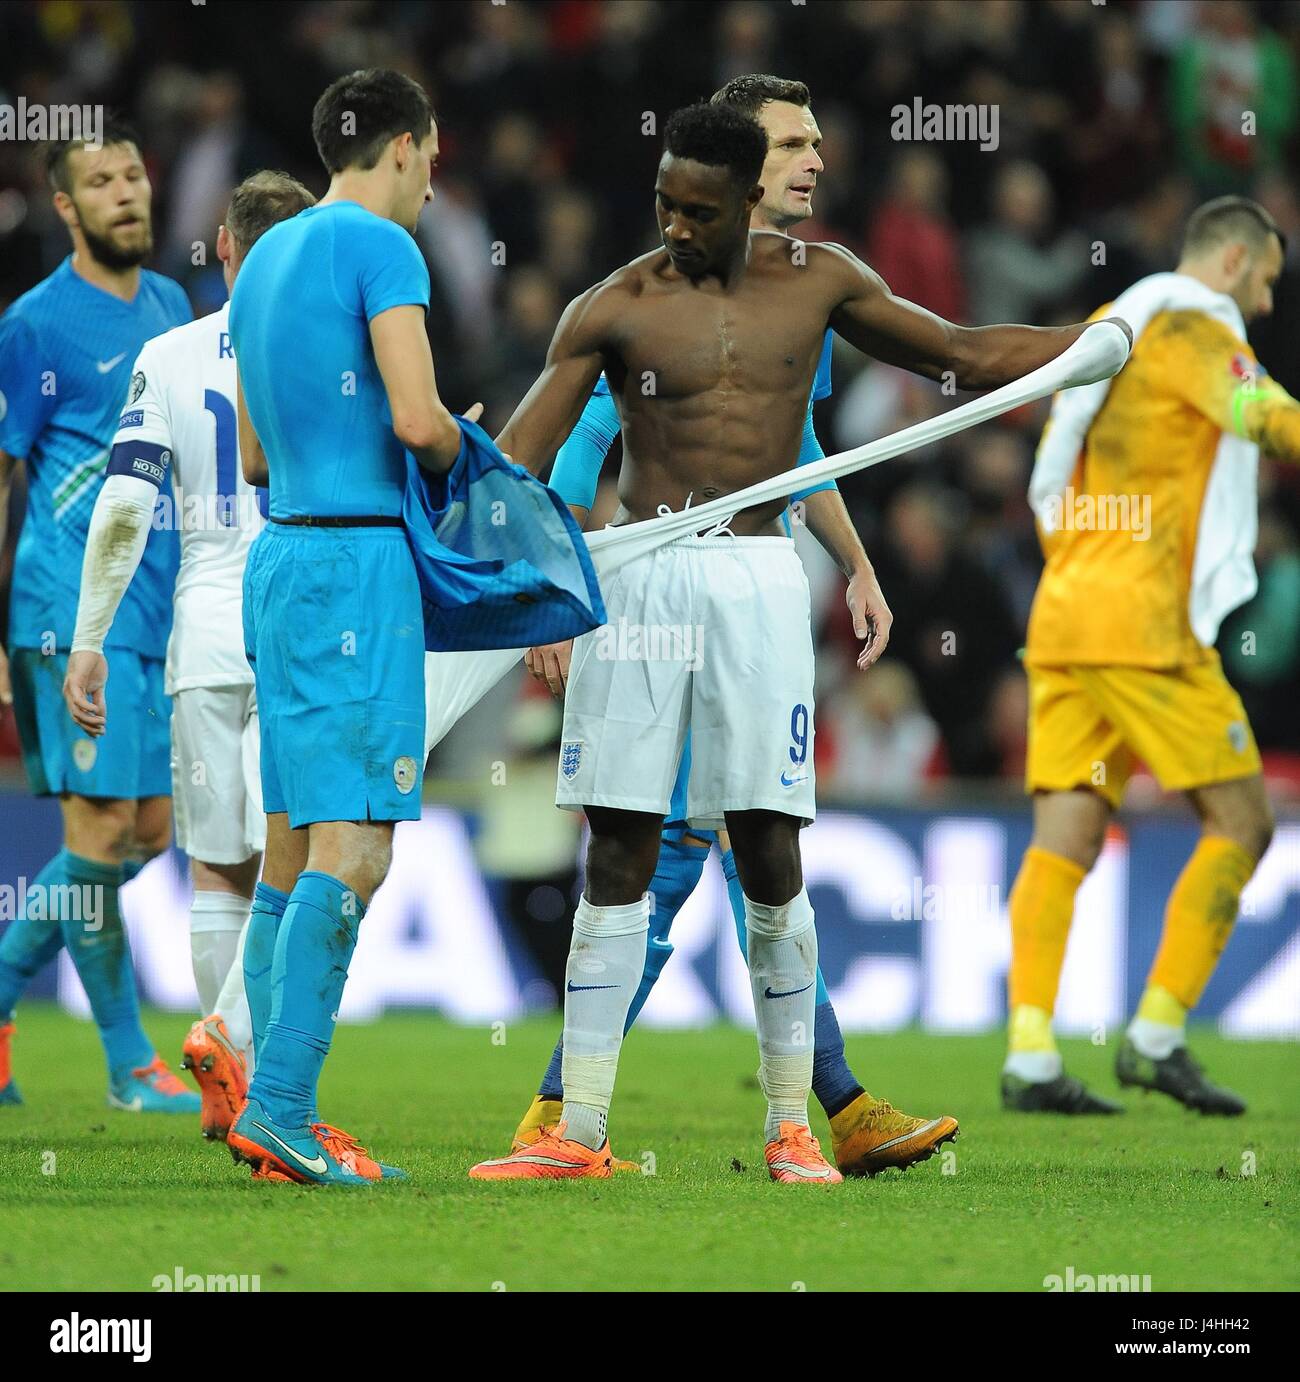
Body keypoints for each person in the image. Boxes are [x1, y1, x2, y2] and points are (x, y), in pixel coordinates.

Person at [469, 99, 1121, 1183]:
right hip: (644, 569)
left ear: (740, 202)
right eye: (664, 204)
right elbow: (518, 465)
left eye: (698, 209)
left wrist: (1088, 348)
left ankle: (791, 1127)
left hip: (759, 576)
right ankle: (576, 1127)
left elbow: (957, 353)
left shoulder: (820, 283)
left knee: (767, 844)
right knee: (621, 846)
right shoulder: (613, 305)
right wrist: (511, 555)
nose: (675, 226)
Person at [506, 74, 957, 1180]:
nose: (814, 162)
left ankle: (788, 1106)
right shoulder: (654, 305)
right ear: (743, 164)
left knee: (729, 847)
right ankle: (589, 1106)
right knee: (678, 850)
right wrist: (554, 593)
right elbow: (572, 459)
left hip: (748, 585)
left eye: (815, 140)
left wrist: (853, 562)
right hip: (658, 593)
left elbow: (800, 451)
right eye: (795, 143)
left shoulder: (799, 294)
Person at [1004, 196, 1300, 1115]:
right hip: (1141, 623)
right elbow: (1262, 415)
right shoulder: (1189, 322)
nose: (1265, 307)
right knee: (1244, 820)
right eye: (1266, 284)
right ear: (1236, 260)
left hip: (1066, 610)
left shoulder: (1116, 321)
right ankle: (1158, 1034)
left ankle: (1030, 1053)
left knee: (1069, 834)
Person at [224, 69, 464, 1185]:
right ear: (410, 147)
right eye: (429, 163)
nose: (429, 185)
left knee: (288, 844)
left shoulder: (264, 253)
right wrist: (473, 458)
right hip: (354, 566)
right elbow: (418, 421)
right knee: (354, 845)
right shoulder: (383, 248)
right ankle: (279, 1106)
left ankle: (271, 1107)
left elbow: (258, 458)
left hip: (276, 558)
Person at [63, 170, 317, 1142]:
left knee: (219, 866)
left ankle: (237, 1075)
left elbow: (122, 503)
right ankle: (235, 1038)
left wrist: (88, 639)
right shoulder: (338, 350)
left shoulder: (166, 354)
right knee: (307, 856)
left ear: (221, 248)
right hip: (305, 628)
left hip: (201, 633)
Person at [0, 123, 197, 1115]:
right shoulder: (32, 324)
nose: (126, 192)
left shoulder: (171, 306)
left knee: (149, 833)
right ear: (68, 209)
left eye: (133, 174)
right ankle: (130, 1065)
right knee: (102, 823)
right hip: (64, 606)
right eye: (100, 182)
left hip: (154, 610)